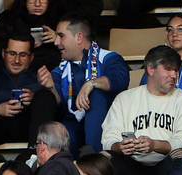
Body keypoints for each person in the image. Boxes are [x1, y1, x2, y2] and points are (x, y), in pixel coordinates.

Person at [100, 46, 182, 175]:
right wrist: (120, 146)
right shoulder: (125, 98)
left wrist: (155, 145)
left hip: (166, 165)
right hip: (130, 165)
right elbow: (109, 138)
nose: (174, 75)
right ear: (151, 69)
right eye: (168, 69)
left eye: (176, 70)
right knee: (105, 158)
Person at [42, 16, 129, 153]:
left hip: (106, 124)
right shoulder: (61, 69)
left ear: (79, 38)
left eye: (61, 36)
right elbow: (59, 102)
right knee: (61, 132)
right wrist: (50, 87)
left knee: (96, 94)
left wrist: (91, 84)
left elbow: (121, 79)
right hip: (74, 125)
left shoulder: (108, 57)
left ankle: (96, 158)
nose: (56, 42)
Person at [0, 36, 56, 149]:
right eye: (12, 53)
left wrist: (35, 100)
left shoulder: (41, 82)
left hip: (30, 133)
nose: (17, 60)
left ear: (31, 57)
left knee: (44, 98)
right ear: (3, 54)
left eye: (23, 55)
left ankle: (34, 154)